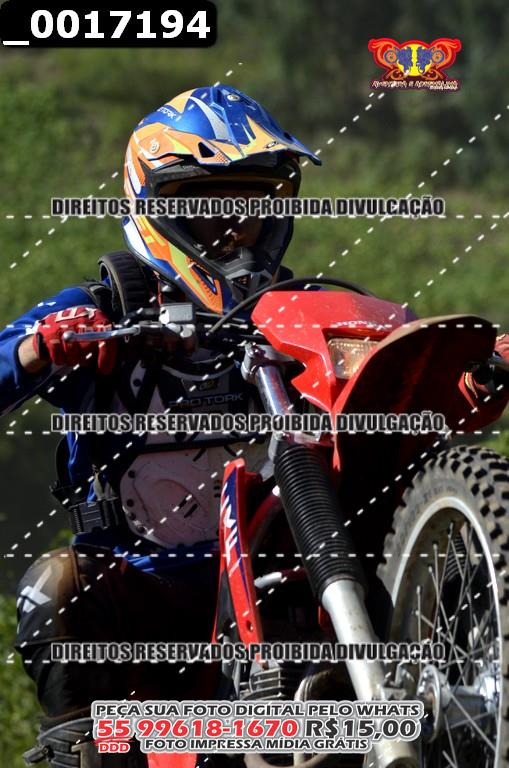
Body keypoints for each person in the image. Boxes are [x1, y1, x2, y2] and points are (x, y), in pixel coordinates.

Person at [1, 84, 508, 767]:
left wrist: (473, 371)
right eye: (210, 208)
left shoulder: (305, 307)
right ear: (155, 208)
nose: (236, 229)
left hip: (294, 565)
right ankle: (87, 748)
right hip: (151, 590)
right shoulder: (104, 308)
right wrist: (40, 348)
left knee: (436, 548)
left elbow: (398, 385)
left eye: (254, 205)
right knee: (57, 581)